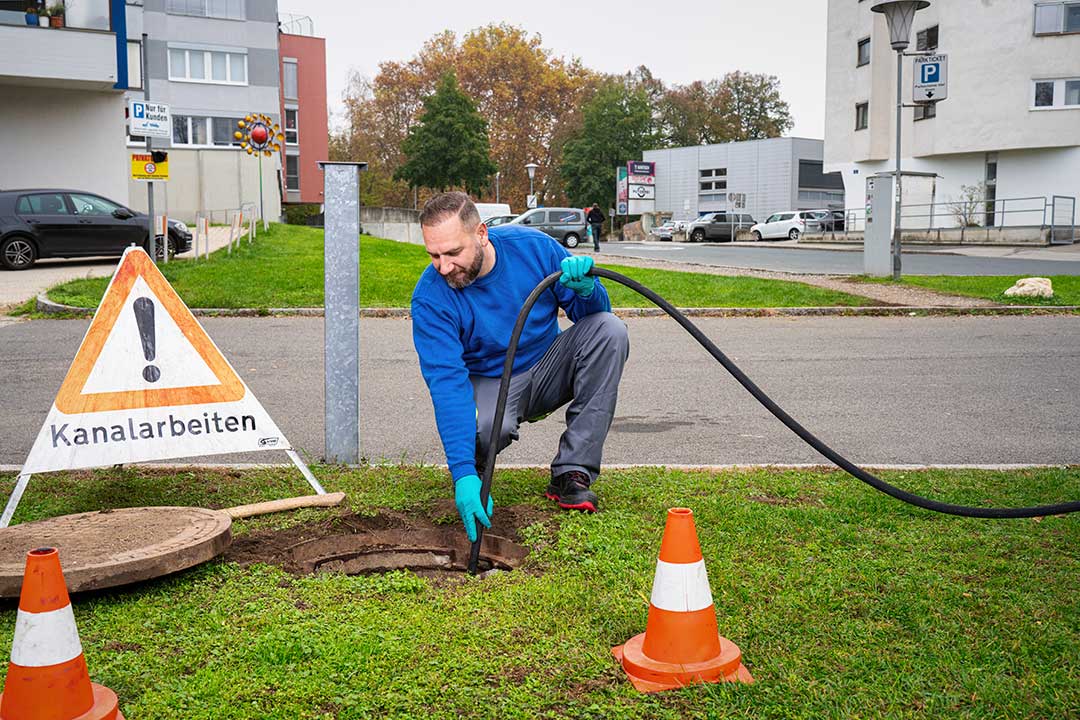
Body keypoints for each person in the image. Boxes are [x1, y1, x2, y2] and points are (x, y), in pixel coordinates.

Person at [411, 192, 630, 543]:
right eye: (433, 255)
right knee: (484, 428)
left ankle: (572, 472)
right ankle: (478, 463)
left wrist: (588, 290)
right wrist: (462, 472)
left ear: (481, 233)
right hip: (489, 382)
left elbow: (591, 317)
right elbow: (446, 383)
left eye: (453, 253)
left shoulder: (535, 249)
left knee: (610, 330)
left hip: (546, 367)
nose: (444, 267)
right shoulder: (431, 298)